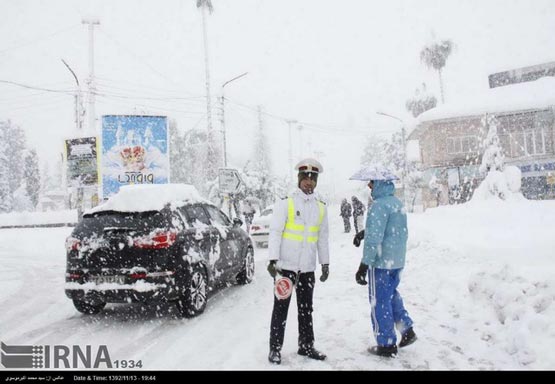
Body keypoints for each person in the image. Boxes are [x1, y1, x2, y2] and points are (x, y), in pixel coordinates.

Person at [267, 158, 330, 365]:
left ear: (316, 181)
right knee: (280, 309)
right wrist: (273, 259)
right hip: (286, 267)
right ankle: (275, 349)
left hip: (308, 268)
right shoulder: (286, 202)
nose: (309, 182)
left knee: (306, 309)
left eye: (313, 178)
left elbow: (322, 237)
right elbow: (275, 232)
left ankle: (306, 345)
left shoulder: (321, 207)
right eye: (305, 178)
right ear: (299, 179)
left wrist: (325, 263)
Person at [354, 178, 417, 358]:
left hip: (381, 263)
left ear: (379, 183)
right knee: (390, 295)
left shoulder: (378, 206)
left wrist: (363, 265)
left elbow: (375, 239)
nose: (369, 186)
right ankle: (407, 329)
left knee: (379, 301)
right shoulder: (396, 203)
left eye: (371, 182)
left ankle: (386, 344)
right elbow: (390, 230)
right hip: (396, 261)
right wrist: (362, 233)